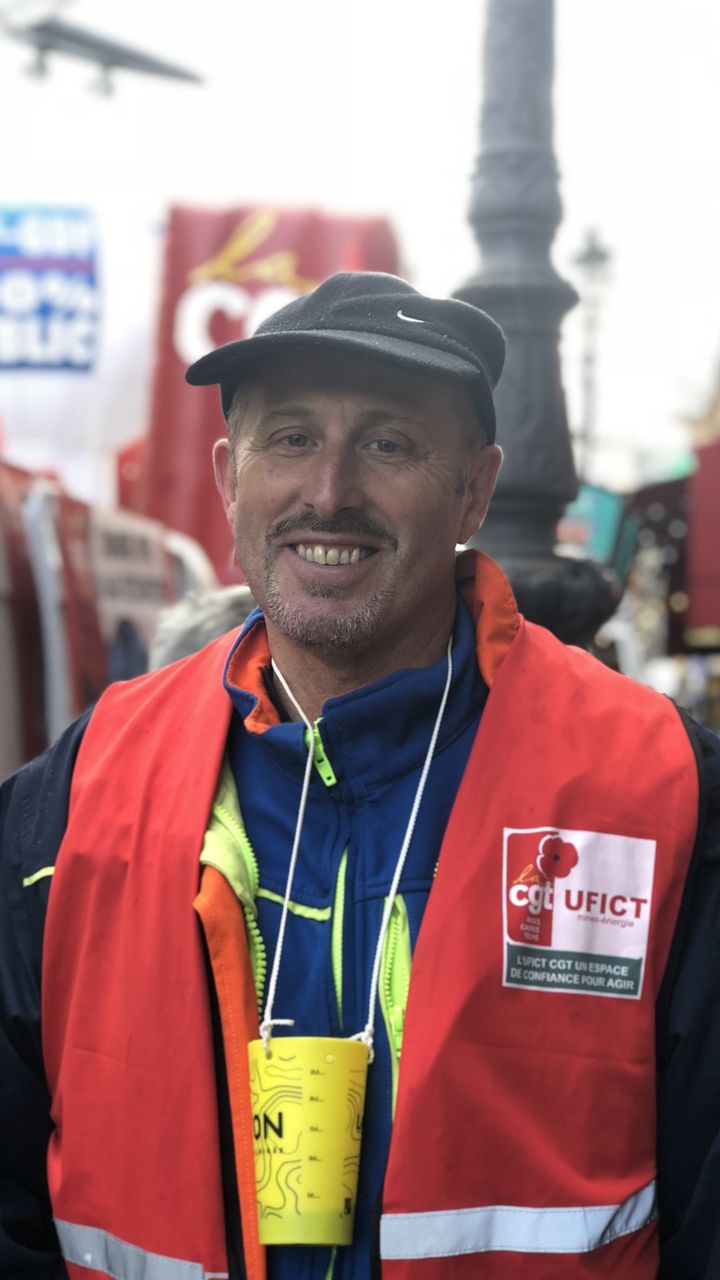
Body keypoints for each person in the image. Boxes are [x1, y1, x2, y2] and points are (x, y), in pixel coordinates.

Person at [1, 272, 719, 1280]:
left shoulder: (659, 787)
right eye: (290, 437)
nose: (329, 489)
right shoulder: (77, 790)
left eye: (388, 442)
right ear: (227, 474)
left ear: (475, 487)